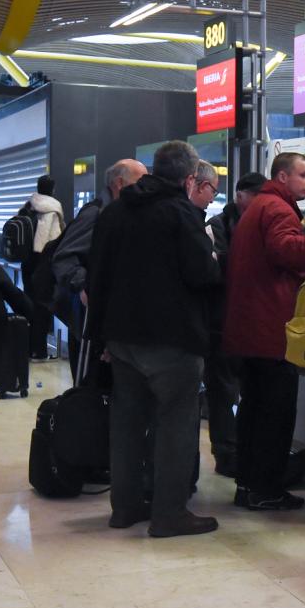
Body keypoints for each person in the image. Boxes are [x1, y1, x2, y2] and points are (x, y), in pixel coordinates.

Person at [86, 141, 223, 537]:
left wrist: (101, 336)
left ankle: (124, 508)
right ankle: (169, 513)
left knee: (127, 423)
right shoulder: (181, 213)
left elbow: (98, 273)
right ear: (189, 178)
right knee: (176, 426)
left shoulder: (116, 211)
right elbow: (203, 274)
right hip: (172, 338)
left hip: (122, 337)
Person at [223, 152, 305, 511]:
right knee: (275, 413)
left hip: (250, 327)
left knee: (255, 411)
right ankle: (266, 489)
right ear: (283, 175)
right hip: (271, 326)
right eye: (304, 175)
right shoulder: (277, 209)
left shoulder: (260, 205)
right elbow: (287, 252)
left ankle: (249, 485)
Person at [53, 159, 147, 377]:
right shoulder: (96, 214)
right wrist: (84, 284)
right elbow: (64, 257)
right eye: (140, 182)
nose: (145, 188)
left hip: (108, 321)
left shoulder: (122, 215)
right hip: (89, 324)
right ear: (120, 183)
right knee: (89, 389)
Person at [202, 172, 264, 477]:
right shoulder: (218, 227)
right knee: (223, 390)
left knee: (247, 388)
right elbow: (220, 268)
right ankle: (226, 452)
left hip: (252, 320)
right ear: (240, 196)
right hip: (221, 320)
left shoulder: (263, 221)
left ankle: (245, 448)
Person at [20, 175, 64, 360]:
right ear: (52, 189)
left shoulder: (28, 205)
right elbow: (55, 238)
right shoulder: (54, 208)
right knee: (43, 307)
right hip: (43, 261)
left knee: (29, 304)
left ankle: (28, 347)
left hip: (27, 261)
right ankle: (40, 350)